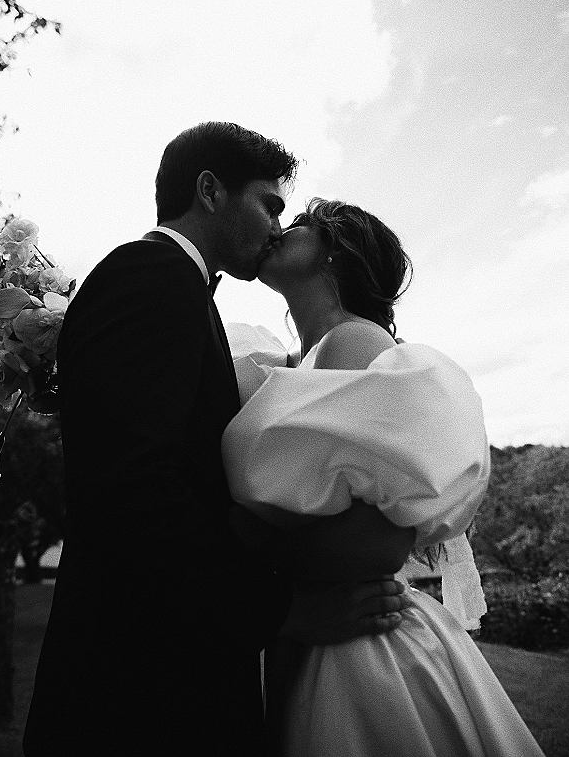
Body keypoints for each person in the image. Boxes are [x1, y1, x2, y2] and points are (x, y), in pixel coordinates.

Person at [23, 125, 412, 757]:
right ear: (210, 191)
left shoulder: (178, 288)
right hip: (132, 693)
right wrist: (278, 613)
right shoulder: (149, 277)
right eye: (270, 204)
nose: (276, 226)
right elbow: (136, 495)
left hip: (165, 673)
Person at [222, 198, 546, 756]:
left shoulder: (352, 340)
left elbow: (374, 537)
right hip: (322, 626)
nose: (278, 230)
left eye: (298, 226)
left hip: (359, 644)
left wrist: (245, 556)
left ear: (334, 254)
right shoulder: (303, 358)